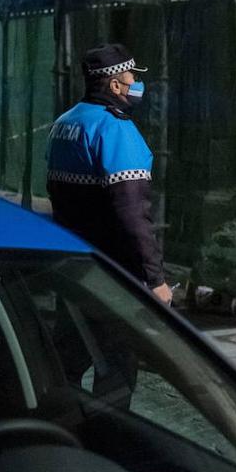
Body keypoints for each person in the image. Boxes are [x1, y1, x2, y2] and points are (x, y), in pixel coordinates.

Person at [46, 43, 172, 306]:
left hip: (71, 262)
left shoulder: (64, 123)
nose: (137, 83)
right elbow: (132, 213)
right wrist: (155, 279)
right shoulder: (114, 128)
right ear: (115, 86)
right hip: (112, 272)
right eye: (133, 77)